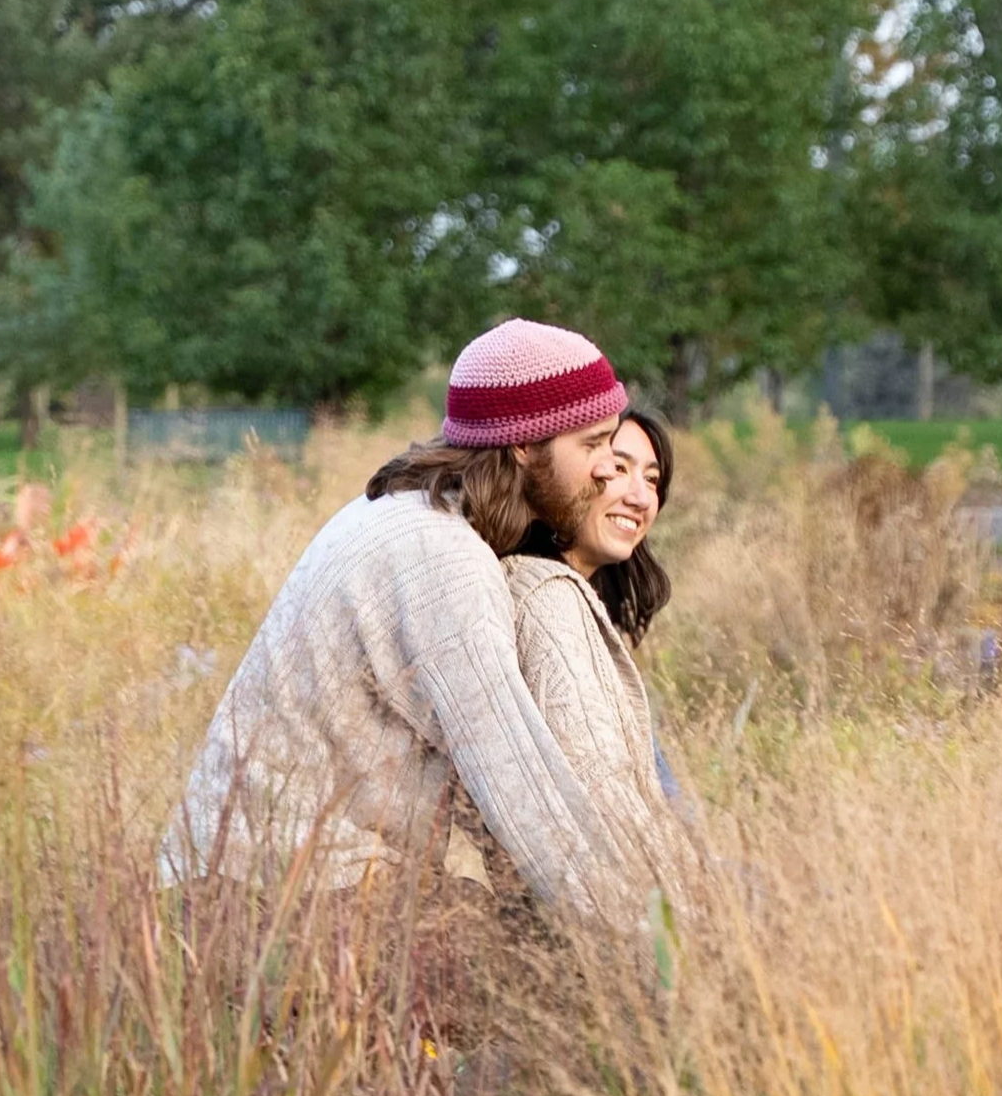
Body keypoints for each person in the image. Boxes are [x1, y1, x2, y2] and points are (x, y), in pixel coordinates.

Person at [160, 319, 643, 923]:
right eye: (592, 444)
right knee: (532, 976)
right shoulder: (445, 563)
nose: (608, 467)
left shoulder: (406, 512)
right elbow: (520, 789)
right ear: (524, 445)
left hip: (245, 874)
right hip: (276, 897)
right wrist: (643, 936)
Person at [504, 409, 686, 900]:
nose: (640, 495)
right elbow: (606, 804)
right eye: (619, 467)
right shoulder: (543, 600)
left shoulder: (585, 606)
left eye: (652, 479)